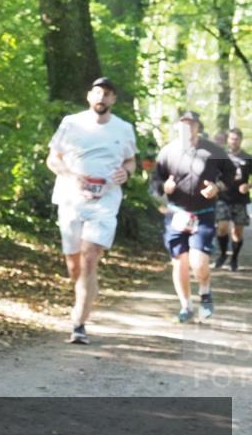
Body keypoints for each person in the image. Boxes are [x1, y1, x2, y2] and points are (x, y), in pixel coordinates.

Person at [46, 77, 137, 345]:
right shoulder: (71, 123)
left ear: (113, 99)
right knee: (74, 265)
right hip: (71, 199)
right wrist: (71, 175)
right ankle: (82, 298)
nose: (102, 97)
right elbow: (52, 158)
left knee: (89, 256)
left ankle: (79, 323)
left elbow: (130, 161)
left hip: (105, 200)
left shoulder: (124, 128)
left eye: (107, 94)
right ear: (89, 96)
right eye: (98, 92)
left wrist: (126, 173)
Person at [150, 111, 233, 322]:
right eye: (183, 123)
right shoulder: (167, 152)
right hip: (176, 214)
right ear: (177, 127)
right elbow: (155, 181)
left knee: (198, 261)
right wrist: (164, 187)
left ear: (198, 126)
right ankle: (186, 306)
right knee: (180, 261)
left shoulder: (213, 150)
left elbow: (231, 175)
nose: (187, 127)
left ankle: (205, 293)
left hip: (203, 214)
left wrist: (217, 187)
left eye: (191, 124)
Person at [214, 128, 252, 271]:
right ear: (227, 140)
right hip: (223, 197)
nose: (234, 141)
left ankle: (234, 259)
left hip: (240, 199)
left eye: (236, 139)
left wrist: (248, 186)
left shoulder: (247, 158)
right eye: (231, 139)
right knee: (222, 227)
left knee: (237, 232)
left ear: (241, 140)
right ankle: (223, 254)